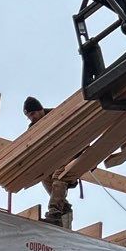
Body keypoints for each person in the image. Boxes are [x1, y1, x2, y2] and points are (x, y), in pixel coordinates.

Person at [21, 95, 75, 228]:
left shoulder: (58, 114)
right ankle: (64, 207)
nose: (31, 118)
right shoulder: (33, 128)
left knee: (59, 176)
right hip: (52, 158)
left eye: (33, 114)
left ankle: (55, 213)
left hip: (70, 152)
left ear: (40, 109)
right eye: (29, 116)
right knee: (43, 176)